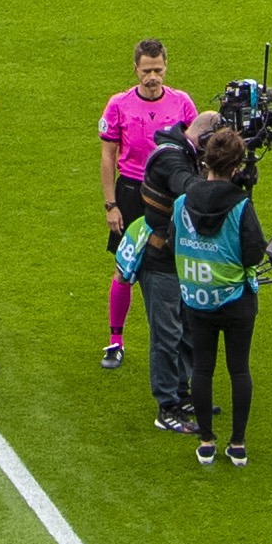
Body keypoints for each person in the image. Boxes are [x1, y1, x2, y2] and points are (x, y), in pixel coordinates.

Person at [146, 121, 272, 467]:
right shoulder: (240, 204)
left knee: (201, 369)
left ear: (204, 160)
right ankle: (237, 444)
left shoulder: (184, 201)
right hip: (235, 298)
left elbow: (174, 242)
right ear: (237, 166)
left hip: (196, 298)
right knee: (238, 369)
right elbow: (254, 251)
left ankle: (205, 441)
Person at [96, 38, 195, 382]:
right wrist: (111, 204)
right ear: (135, 69)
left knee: (174, 266)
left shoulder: (182, 103)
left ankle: (182, 338)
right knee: (125, 267)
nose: (152, 76)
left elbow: (195, 149)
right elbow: (108, 156)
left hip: (170, 195)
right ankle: (115, 340)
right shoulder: (119, 105)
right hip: (132, 191)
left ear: (166, 67)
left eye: (158, 69)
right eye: (146, 70)